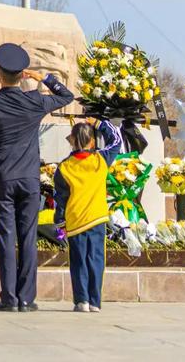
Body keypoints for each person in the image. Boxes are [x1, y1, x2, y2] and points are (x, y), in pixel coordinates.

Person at [0, 43, 74, 312]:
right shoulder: (34, 101)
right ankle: (27, 298)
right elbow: (67, 96)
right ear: (22, 76)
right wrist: (43, 77)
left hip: (1, 180)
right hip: (29, 180)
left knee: (6, 238)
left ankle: (8, 298)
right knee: (28, 237)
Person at [54, 118, 122, 313]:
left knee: (78, 260)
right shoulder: (101, 160)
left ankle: (81, 300)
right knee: (96, 259)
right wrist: (99, 123)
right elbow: (116, 140)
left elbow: (60, 198)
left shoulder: (65, 167)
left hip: (76, 220)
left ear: (72, 141)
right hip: (97, 218)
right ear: (92, 142)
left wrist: (60, 221)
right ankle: (95, 301)